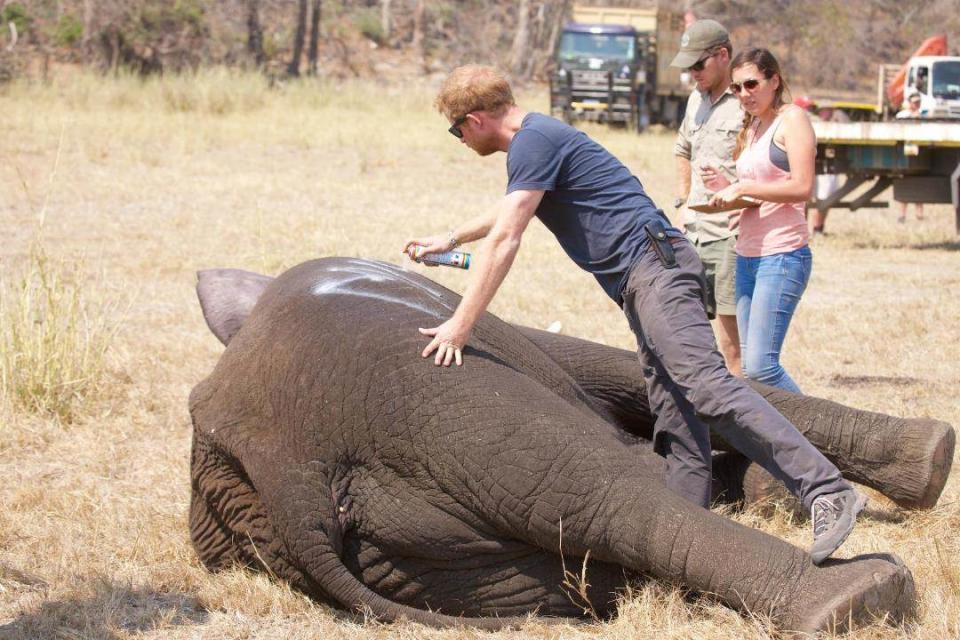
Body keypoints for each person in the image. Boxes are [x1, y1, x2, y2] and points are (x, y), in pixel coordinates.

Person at [405, 64, 864, 564]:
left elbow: (507, 237)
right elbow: (511, 210)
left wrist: (461, 325)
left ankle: (826, 490)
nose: (460, 141)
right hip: (642, 279)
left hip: (655, 270)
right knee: (674, 410)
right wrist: (449, 240)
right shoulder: (536, 140)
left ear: (474, 120)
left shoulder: (532, 141)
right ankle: (685, 538)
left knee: (706, 386)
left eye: (456, 131)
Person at [708, 48, 816, 396]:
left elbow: (802, 187)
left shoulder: (793, 119)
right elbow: (764, 192)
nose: (744, 94)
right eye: (737, 88)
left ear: (774, 80)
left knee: (762, 367)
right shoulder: (753, 126)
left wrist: (745, 187)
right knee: (749, 370)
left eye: (751, 84)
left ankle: (819, 439)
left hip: (782, 256)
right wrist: (729, 194)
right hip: (747, 256)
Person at [671, 19, 742, 376]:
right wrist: (682, 203)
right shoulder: (695, 100)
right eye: (688, 67)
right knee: (693, 338)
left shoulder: (747, 100)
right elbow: (682, 149)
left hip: (730, 236)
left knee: (734, 347)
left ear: (723, 56)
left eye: (699, 65)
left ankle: (744, 424)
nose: (693, 73)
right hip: (694, 232)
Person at [894, 92, 926, 222]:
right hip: (905, 152)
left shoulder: (923, 115)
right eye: (914, 102)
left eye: (918, 102)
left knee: (920, 183)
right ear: (909, 102)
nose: (916, 104)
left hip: (919, 152)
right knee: (905, 183)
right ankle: (902, 214)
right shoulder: (902, 116)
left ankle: (919, 214)